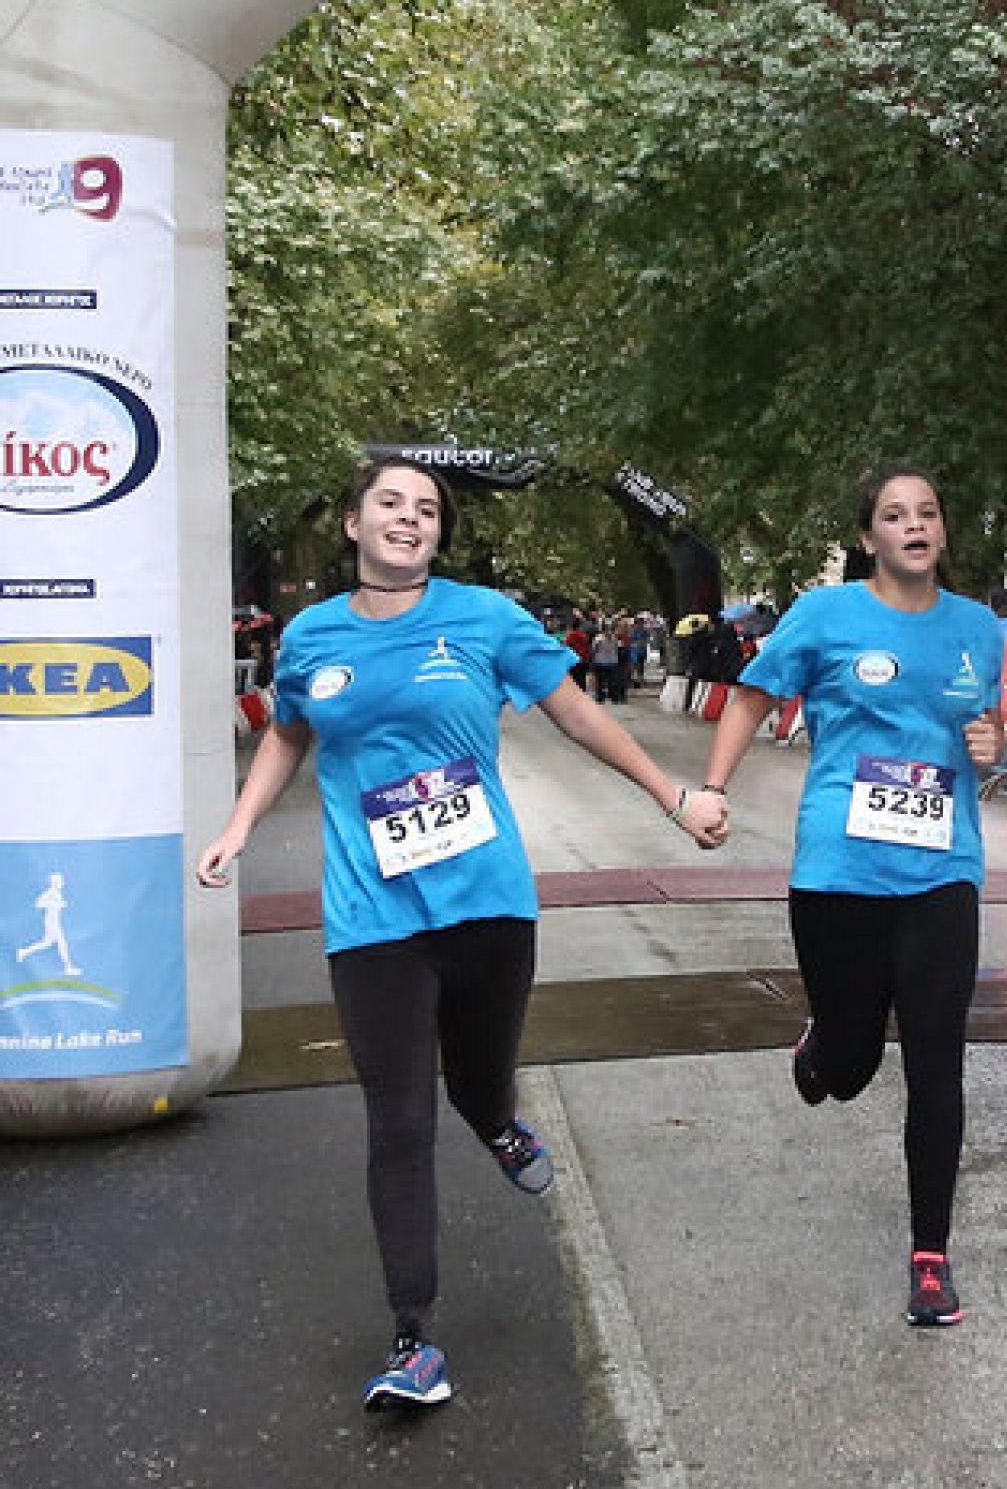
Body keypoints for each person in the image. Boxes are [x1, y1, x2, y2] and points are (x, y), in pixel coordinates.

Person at [197, 455, 727, 1411]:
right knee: (397, 1121)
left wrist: (674, 796)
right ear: (354, 523)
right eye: (390, 504)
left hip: (487, 904)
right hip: (372, 917)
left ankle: (497, 1124)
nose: (409, 518)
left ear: (438, 533)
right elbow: (289, 731)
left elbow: (575, 715)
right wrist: (239, 826)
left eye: (426, 510)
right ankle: (414, 1339)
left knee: (479, 1083)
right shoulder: (312, 637)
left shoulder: (484, 619)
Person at [702, 462, 1004, 1329]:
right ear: (869, 537)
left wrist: (997, 747)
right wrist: (713, 788)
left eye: (927, 513)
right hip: (841, 869)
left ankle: (931, 1256)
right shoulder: (824, 616)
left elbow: (986, 733)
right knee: (852, 1067)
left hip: (943, 869)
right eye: (894, 515)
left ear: (942, 530)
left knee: (938, 1063)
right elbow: (752, 697)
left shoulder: (979, 628)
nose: (914, 526)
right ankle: (825, 1049)